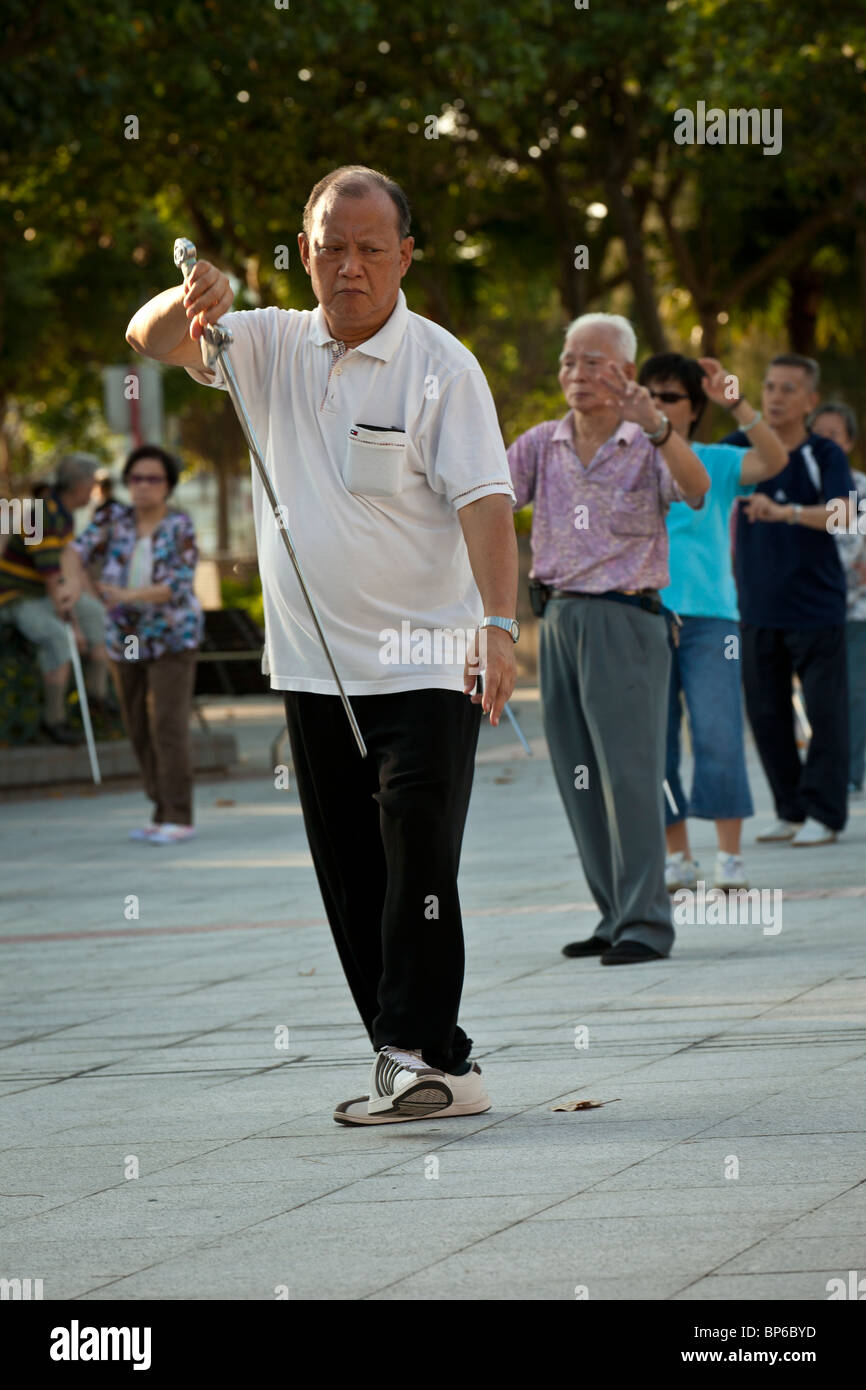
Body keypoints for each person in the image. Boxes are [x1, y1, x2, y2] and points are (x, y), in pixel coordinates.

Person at [126, 165, 519, 1124]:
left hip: (431, 661)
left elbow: (487, 505)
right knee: (353, 870)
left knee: (418, 851)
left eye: (371, 250)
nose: (350, 268)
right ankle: (432, 1062)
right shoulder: (263, 342)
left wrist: (500, 627)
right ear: (304, 252)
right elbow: (148, 338)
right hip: (314, 669)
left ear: (405, 256)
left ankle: (419, 1052)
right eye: (331, 247)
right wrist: (193, 296)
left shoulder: (442, 365)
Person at [508, 313, 710, 966]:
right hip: (558, 621)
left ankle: (647, 924)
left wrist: (659, 427)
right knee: (580, 779)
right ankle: (614, 913)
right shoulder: (542, 443)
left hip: (626, 622)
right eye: (569, 361)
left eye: (592, 362)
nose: (576, 374)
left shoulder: (647, 442)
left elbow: (697, 491)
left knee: (629, 777)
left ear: (625, 373)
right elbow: (486, 497)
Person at [637, 353, 788, 891]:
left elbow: (773, 462)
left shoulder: (716, 461)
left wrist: (737, 401)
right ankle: (677, 858)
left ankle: (729, 857)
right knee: (655, 743)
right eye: (648, 394)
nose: (657, 405)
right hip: (643, 617)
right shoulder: (622, 461)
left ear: (694, 408)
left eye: (670, 397)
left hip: (711, 622)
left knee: (719, 734)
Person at [722, 356, 856, 846]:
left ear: (810, 400)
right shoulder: (739, 447)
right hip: (754, 608)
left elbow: (843, 517)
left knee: (826, 715)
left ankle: (825, 814)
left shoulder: (824, 453)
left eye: (788, 389)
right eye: (770, 386)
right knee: (767, 715)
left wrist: (787, 512)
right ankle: (791, 811)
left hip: (817, 609)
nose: (775, 397)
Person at [68, 445, 204, 844]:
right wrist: (77, 586)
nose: (143, 486)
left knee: (167, 723)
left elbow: (176, 586)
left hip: (172, 637)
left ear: (168, 485)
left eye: (153, 479)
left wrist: (125, 595)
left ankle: (179, 815)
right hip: (124, 637)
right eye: (136, 478)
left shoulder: (181, 526)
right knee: (138, 726)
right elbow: (75, 552)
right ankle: (160, 810)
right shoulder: (113, 518)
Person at [0, 453, 109, 744]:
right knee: (59, 636)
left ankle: (97, 697)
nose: (96, 489)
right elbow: (51, 577)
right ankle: (54, 719)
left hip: (45, 594)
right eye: (94, 483)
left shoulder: (64, 513)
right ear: (81, 485)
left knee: (96, 614)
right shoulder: (41, 513)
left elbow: (66, 569)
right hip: (17, 597)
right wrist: (73, 626)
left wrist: (84, 605)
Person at [810, 402, 866, 797]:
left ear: (847, 442)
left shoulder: (861, 488)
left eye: (834, 435)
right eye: (819, 434)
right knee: (819, 697)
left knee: (855, 693)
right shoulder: (798, 485)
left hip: (857, 609)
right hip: (810, 608)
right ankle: (821, 772)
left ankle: (848, 774)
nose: (826, 442)